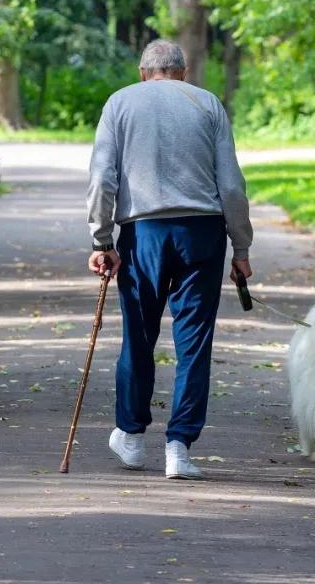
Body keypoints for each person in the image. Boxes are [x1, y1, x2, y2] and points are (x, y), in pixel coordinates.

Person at [86, 39, 254, 479]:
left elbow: (102, 178)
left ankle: (132, 436)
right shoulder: (208, 104)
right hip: (203, 233)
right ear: (184, 71)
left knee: (139, 338)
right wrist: (241, 248)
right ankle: (179, 448)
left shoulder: (120, 103)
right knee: (194, 345)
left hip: (144, 234)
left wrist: (102, 241)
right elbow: (232, 185)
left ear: (143, 72)